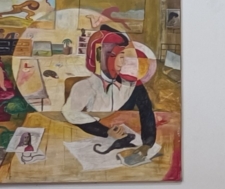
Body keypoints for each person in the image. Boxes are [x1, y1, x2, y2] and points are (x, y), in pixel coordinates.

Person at [61, 23, 156, 164]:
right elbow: (71, 113)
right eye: (117, 56)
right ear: (100, 57)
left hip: (128, 136)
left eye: (124, 56)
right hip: (93, 140)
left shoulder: (132, 84)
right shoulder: (84, 86)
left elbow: (146, 111)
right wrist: (105, 132)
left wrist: (147, 144)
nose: (122, 62)